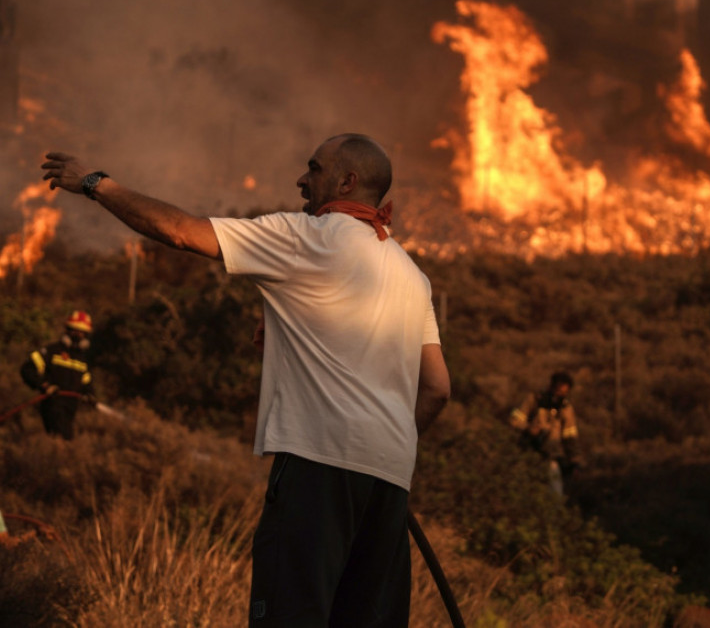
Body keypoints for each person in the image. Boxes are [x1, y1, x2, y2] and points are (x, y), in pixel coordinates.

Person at [41, 133, 451, 627]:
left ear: (347, 180)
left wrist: (95, 184)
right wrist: (383, 450)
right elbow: (437, 389)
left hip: (317, 467)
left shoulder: (305, 237)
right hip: (389, 482)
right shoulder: (412, 275)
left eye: (314, 168)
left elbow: (181, 232)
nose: (302, 180)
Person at [20, 310, 96, 440]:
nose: (78, 335)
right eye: (75, 330)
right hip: (52, 405)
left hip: (70, 409)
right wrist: (44, 386)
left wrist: (90, 394)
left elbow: (86, 381)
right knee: (61, 438)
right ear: (67, 330)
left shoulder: (82, 359)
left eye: (82, 332)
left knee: (67, 439)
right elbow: (27, 369)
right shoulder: (52, 351)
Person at [509, 371, 582, 496]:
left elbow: (570, 436)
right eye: (559, 392)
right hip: (529, 453)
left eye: (564, 393)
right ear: (551, 387)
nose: (560, 396)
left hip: (551, 456)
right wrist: (529, 428)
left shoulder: (566, 408)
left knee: (555, 493)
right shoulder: (534, 399)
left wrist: (574, 461)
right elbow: (514, 419)